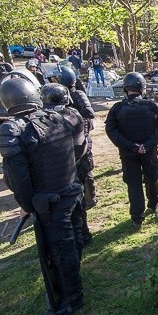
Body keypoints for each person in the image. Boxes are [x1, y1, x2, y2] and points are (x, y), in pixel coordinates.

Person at [0, 76, 86, 315]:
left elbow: (18, 176)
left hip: (52, 201)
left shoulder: (12, 129)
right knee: (73, 242)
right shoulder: (58, 117)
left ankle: (71, 299)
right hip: (71, 191)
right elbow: (77, 150)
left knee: (61, 250)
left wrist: (26, 205)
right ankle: (74, 283)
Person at [104, 72, 158, 230]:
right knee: (151, 177)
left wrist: (130, 146)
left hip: (128, 153)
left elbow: (112, 131)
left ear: (126, 88)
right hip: (148, 151)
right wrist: (147, 145)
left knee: (134, 184)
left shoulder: (117, 108)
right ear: (142, 88)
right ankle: (153, 203)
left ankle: (137, 217)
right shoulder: (151, 106)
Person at [40, 82, 93, 248]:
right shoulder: (73, 115)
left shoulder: (45, 121)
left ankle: (78, 237)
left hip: (63, 170)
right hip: (76, 166)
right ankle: (82, 235)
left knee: (66, 209)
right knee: (77, 204)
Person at [45, 65, 98, 208]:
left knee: (85, 168)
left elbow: (89, 113)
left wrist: (72, 115)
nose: (53, 82)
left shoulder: (77, 94)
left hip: (80, 135)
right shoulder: (56, 96)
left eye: (55, 79)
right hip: (66, 136)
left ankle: (90, 198)